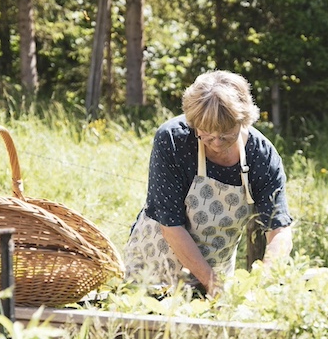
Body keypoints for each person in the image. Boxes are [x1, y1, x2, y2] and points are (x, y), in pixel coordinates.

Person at [124, 70, 293, 295]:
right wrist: (212, 284)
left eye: (225, 134)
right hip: (154, 270)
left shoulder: (260, 156)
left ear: (243, 121)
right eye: (206, 133)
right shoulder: (174, 140)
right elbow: (171, 225)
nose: (215, 142)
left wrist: (265, 283)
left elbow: (279, 229)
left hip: (218, 273)